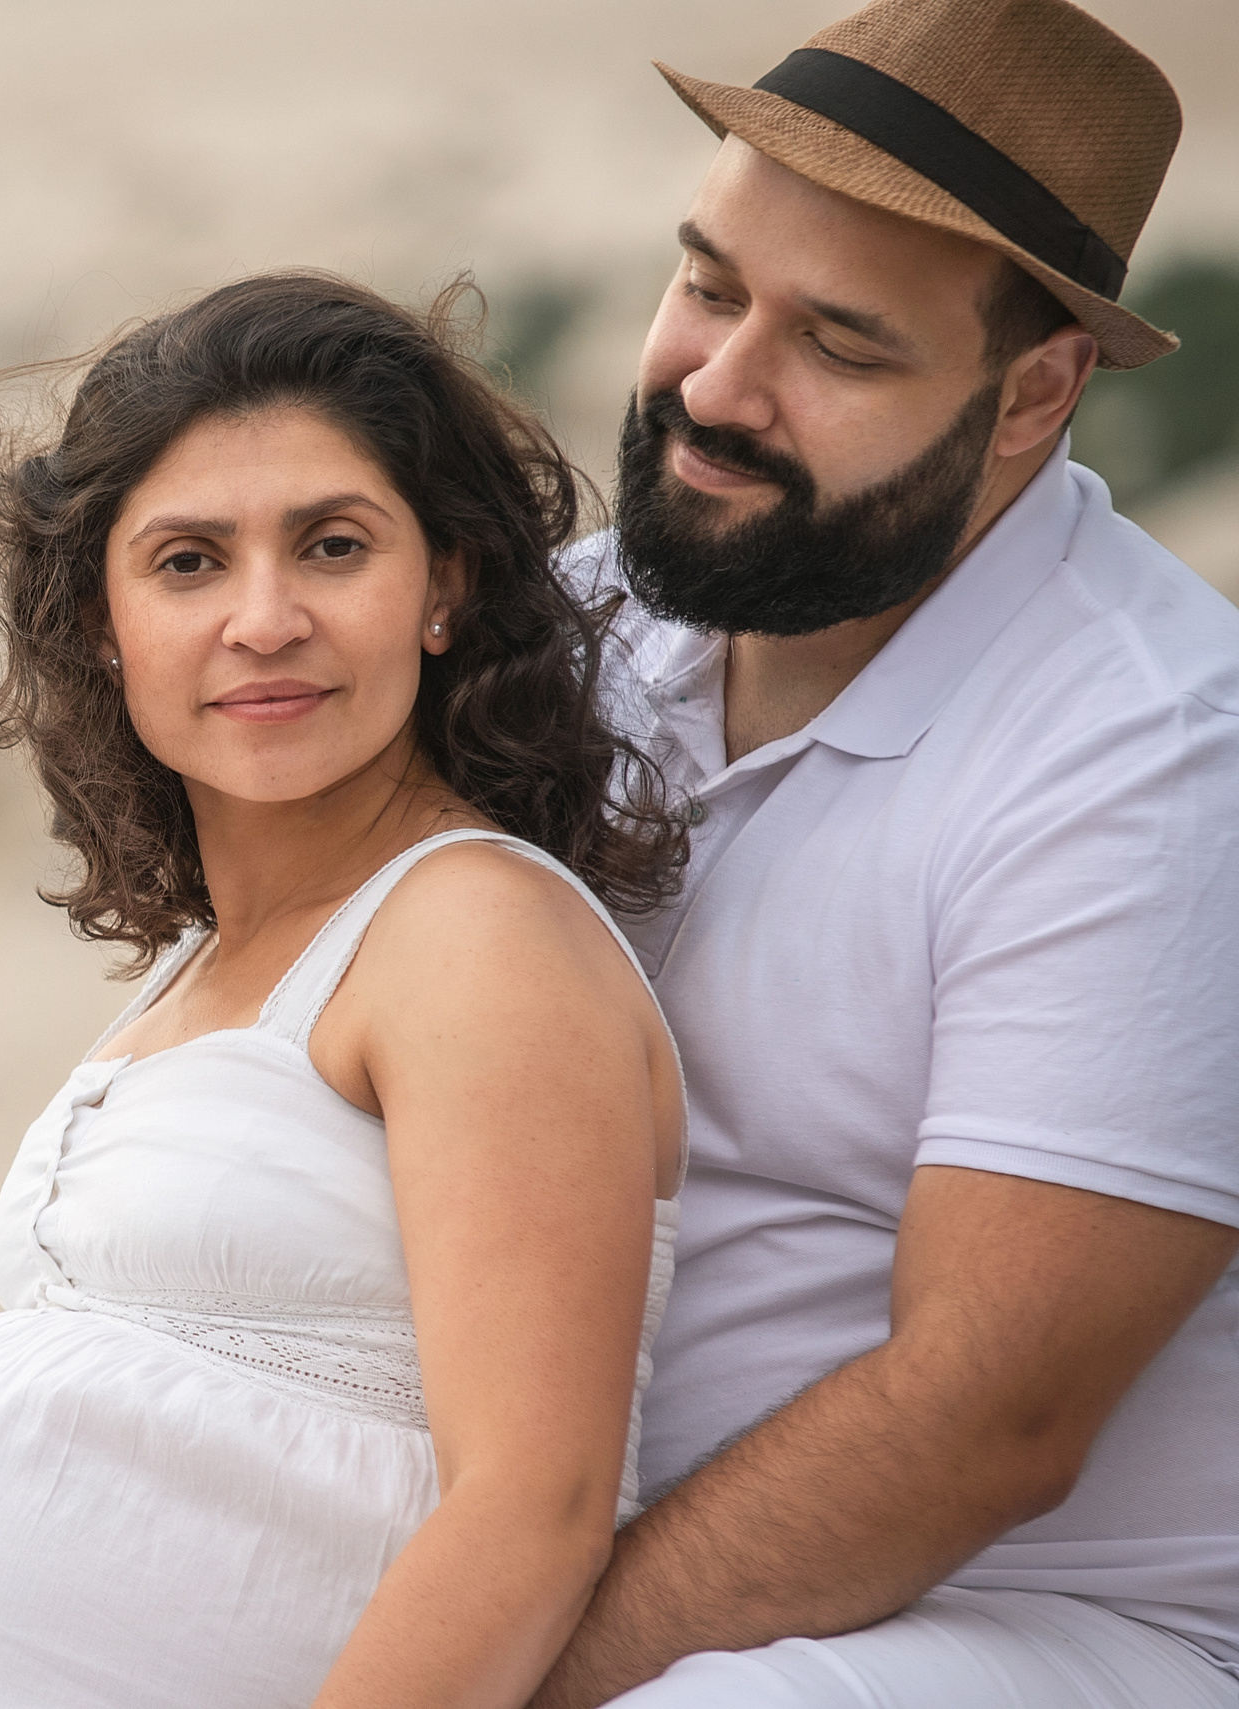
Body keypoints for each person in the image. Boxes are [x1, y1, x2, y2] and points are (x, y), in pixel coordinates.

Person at [0, 273, 690, 1707]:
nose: (264, 618)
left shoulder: (474, 936)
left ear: (442, 583)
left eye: (330, 545)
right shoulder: (211, 963)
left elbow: (534, 1512)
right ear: (100, 621)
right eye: (189, 561)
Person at [528, 2, 1239, 1705]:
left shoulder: (1154, 758)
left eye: (837, 348)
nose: (714, 387)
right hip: (551, 1540)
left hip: (1041, 1625)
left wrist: (505, 1680)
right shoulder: (583, 615)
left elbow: (986, 1419)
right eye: (707, 284)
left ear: (1035, 394)